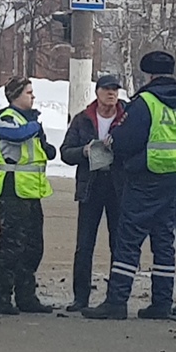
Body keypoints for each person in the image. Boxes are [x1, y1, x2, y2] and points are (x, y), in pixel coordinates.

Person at [82, 51, 176, 321]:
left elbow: (125, 140)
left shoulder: (146, 102)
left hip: (146, 178)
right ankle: (161, 301)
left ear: (149, 75)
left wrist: (116, 147)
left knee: (128, 240)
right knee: (163, 241)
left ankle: (117, 300)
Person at [0, 78, 53, 315]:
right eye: (28, 93)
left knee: (33, 247)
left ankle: (26, 296)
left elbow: (39, 150)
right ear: (15, 96)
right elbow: (16, 135)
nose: (33, 97)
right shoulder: (7, 118)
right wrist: (36, 126)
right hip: (13, 191)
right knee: (11, 246)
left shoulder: (27, 120)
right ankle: (2, 298)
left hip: (31, 192)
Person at [59, 72, 127, 313]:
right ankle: (81, 297)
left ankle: (115, 298)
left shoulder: (127, 117)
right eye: (107, 89)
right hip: (91, 185)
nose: (112, 94)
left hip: (119, 187)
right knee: (84, 244)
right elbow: (65, 152)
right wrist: (84, 151)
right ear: (97, 92)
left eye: (115, 90)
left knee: (118, 244)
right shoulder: (83, 119)